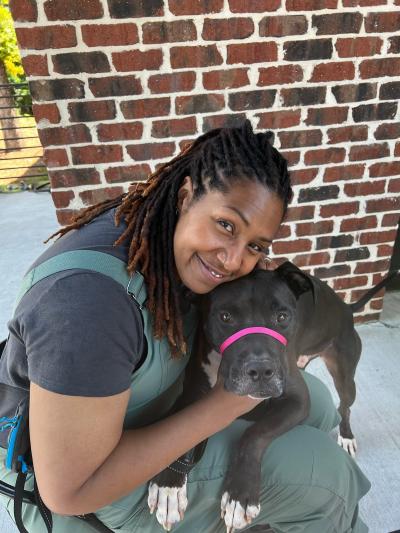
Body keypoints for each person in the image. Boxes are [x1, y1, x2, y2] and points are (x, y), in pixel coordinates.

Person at [0, 120, 370, 533]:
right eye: (226, 225)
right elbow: (69, 491)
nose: (231, 260)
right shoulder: (87, 304)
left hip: (150, 406)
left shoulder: (160, 229)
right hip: (93, 486)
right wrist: (229, 403)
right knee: (328, 479)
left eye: (255, 245)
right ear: (186, 195)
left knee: (315, 403)